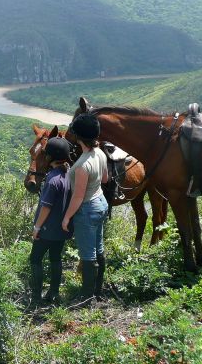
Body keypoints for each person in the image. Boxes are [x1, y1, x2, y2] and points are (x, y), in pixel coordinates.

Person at [62, 113, 109, 303]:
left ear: (78, 137)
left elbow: (78, 197)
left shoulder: (82, 165)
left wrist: (66, 217)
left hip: (87, 209)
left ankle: (87, 297)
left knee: (87, 255)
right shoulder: (100, 154)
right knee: (98, 248)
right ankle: (97, 290)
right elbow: (105, 179)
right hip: (101, 203)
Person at [29, 136, 73, 308]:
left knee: (35, 258)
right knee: (55, 258)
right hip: (62, 228)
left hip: (47, 228)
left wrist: (37, 227)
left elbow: (46, 207)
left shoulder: (52, 179)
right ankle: (54, 293)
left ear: (50, 157)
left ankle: (36, 297)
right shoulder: (69, 174)